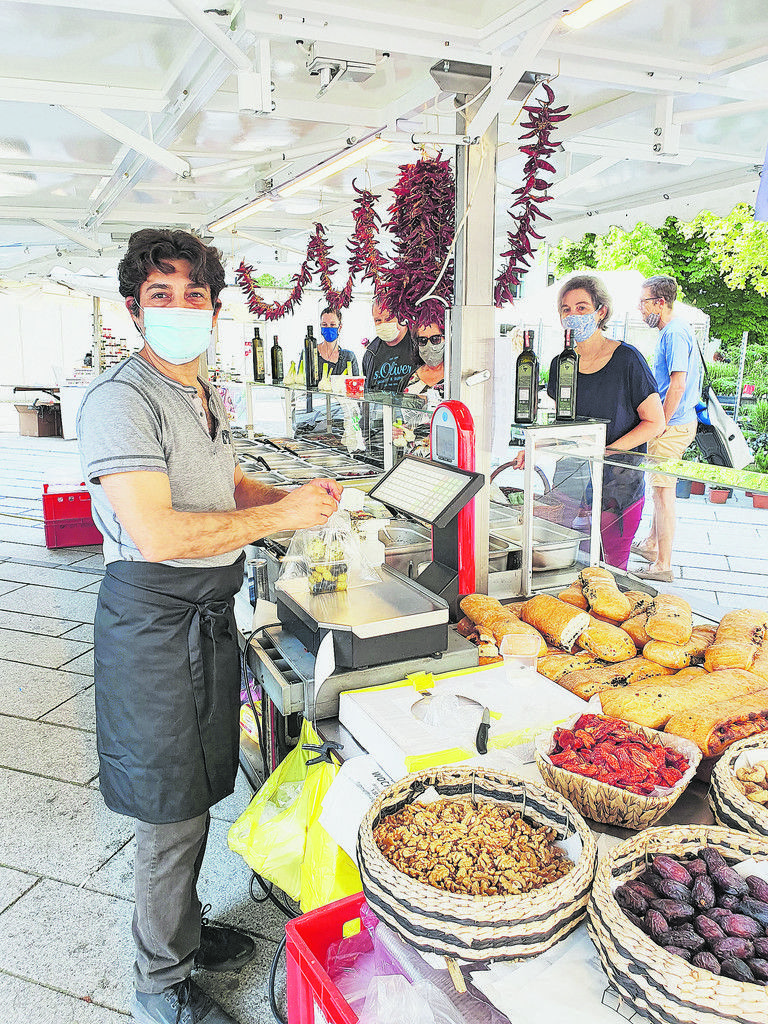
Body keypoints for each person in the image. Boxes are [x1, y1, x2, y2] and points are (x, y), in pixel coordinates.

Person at [76, 228, 341, 1024]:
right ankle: (160, 984)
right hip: (154, 624)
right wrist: (281, 518)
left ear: (215, 310)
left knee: (199, 785)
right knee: (170, 809)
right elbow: (157, 532)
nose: (181, 306)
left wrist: (290, 502)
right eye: (161, 294)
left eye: (195, 294)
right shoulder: (120, 400)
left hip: (205, 613)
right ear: (134, 310)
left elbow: (227, 483)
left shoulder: (202, 392)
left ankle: (183, 934)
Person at [546, 274, 665, 571]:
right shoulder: (560, 364)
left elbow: (655, 422)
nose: (573, 315)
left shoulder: (628, 360)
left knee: (610, 571)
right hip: (570, 481)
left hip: (618, 486)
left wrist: (607, 451)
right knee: (563, 565)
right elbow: (563, 424)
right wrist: (538, 446)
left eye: (582, 308)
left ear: (601, 311)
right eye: (566, 309)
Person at [632, 275, 700, 583]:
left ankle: (663, 565)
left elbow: (678, 384)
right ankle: (651, 544)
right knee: (659, 487)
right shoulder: (675, 330)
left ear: (660, 303)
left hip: (672, 426)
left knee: (662, 492)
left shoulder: (674, 333)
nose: (640, 308)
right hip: (676, 422)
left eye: (643, 302)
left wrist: (661, 422)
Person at [396, 319, 446, 457]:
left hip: (446, 459)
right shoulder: (407, 380)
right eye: (423, 341)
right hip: (411, 459)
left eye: (435, 339)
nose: (429, 345)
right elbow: (398, 419)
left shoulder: (455, 379)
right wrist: (396, 430)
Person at [362, 295, 417, 393]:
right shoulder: (371, 353)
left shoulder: (418, 345)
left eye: (388, 319)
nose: (383, 323)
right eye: (378, 320)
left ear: (401, 317)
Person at [317, 306, 359, 378]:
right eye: (324, 324)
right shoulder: (310, 353)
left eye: (332, 325)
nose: (328, 327)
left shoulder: (349, 357)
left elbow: (355, 383)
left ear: (340, 327)